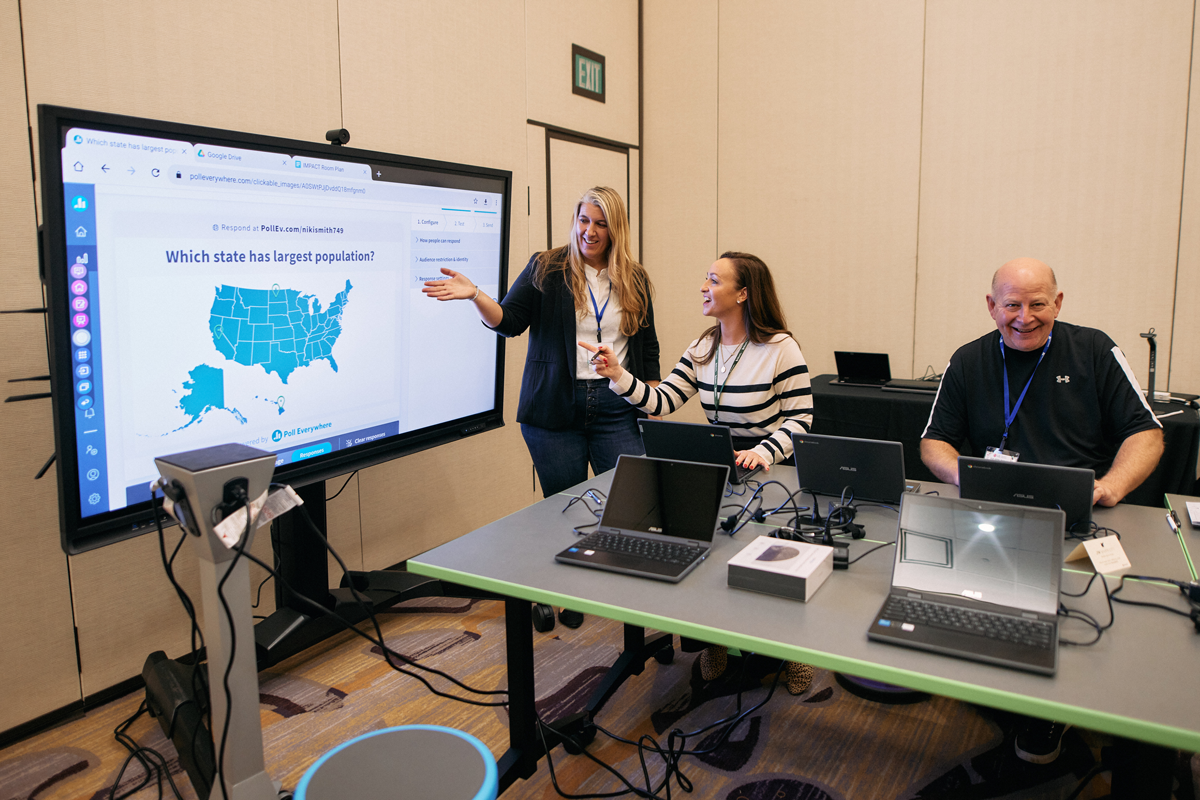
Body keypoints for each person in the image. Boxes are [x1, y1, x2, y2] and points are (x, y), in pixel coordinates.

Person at [920, 257, 1163, 764]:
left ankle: (1057, 707)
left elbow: (1147, 433)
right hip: (995, 511)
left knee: (1084, 619)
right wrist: (968, 477)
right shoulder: (968, 360)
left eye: (1037, 304)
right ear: (992, 306)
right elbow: (934, 442)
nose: (1024, 317)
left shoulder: (1094, 349)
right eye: (1011, 304)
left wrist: (1111, 487)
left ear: (1058, 302)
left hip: (1077, 516)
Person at [423, 187, 660, 628]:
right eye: (583, 220)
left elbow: (647, 349)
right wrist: (475, 294)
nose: (589, 231)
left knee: (630, 506)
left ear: (616, 229)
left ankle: (631, 603)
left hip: (616, 405)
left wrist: (652, 403)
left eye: (601, 223)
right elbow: (509, 322)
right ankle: (559, 593)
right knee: (562, 508)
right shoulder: (547, 267)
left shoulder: (635, 278)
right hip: (554, 409)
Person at [583, 251, 815, 693]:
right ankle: (715, 640)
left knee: (770, 570)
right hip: (719, 469)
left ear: (743, 293)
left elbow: (801, 419)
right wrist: (617, 374)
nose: (703, 288)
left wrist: (764, 452)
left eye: (713, 280)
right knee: (711, 563)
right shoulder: (703, 347)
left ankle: (789, 649)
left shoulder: (781, 348)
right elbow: (663, 400)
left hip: (769, 471)